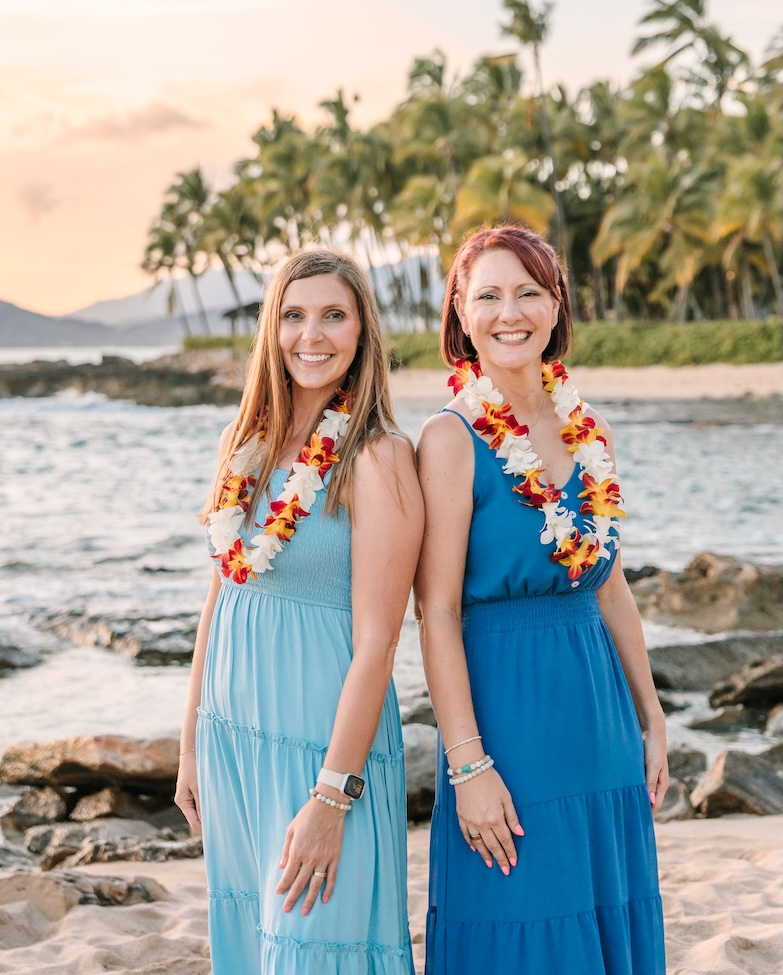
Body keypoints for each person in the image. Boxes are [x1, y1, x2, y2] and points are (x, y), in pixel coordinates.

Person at [414, 225, 667, 974]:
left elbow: (610, 586)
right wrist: (467, 765)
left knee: (602, 921)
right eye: (487, 294)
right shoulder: (450, 438)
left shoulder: (593, 436)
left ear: (556, 308)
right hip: (506, 728)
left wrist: (651, 717)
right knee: (516, 924)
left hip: (601, 728)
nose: (509, 311)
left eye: (528, 291)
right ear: (460, 315)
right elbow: (436, 611)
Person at [175, 249, 423, 975]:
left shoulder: (377, 458)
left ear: (361, 332)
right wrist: (191, 743)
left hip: (320, 748)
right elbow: (219, 596)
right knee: (253, 944)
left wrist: (331, 795)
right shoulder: (243, 445)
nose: (310, 334)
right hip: (234, 741)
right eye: (293, 314)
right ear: (270, 328)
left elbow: (379, 643)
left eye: (332, 315)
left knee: (318, 947)